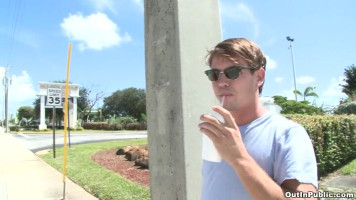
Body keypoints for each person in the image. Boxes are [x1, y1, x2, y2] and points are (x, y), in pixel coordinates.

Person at [199, 38, 318, 200]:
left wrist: (239, 158)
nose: (221, 83)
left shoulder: (288, 134)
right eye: (214, 74)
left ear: (259, 77)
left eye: (232, 72)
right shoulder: (216, 132)